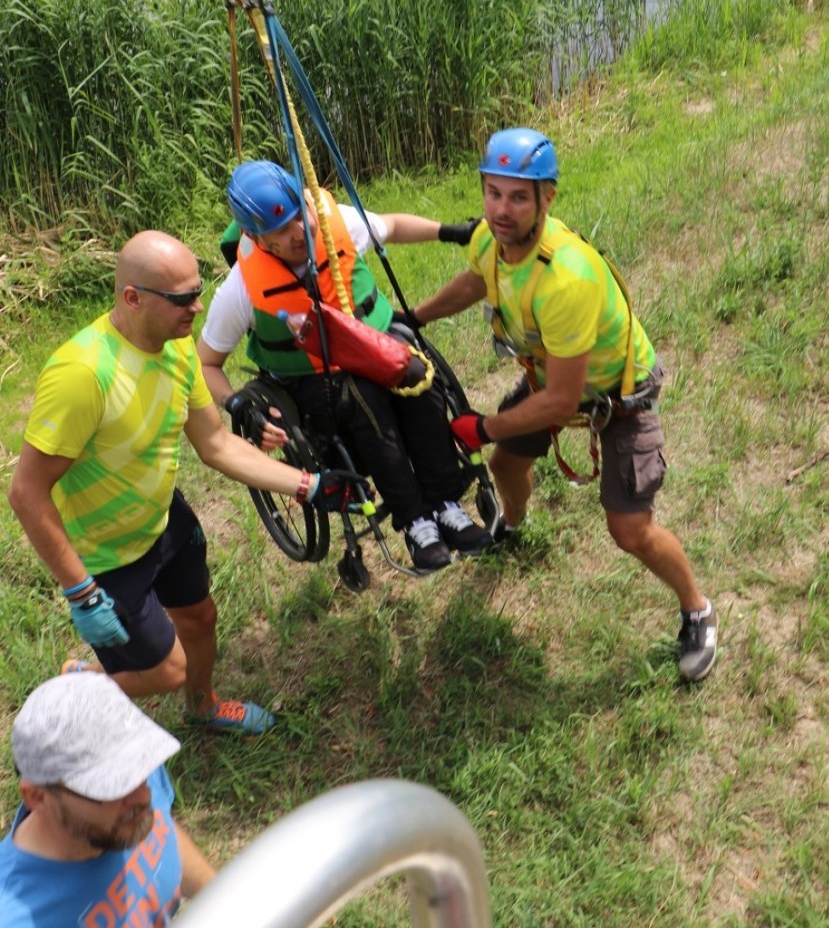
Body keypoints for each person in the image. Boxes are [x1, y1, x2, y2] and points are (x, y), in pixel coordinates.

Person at [8, 230, 363, 735]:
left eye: (199, 291)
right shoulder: (83, 372)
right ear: (133, 298)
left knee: (199, 618)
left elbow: (215, 444)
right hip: (105, 554)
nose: (198, 308)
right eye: (183, 298)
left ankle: (203, 706)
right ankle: (78, 684)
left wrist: (307, 484)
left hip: (162, 517)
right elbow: (26, 492)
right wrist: (81, 591)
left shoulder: (176, 350)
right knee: (165, 670)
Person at [411, 128, 718, 682]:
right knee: (507, 464)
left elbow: (561, 401)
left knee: (630, 531)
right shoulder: (491, 239)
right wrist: (417, 317)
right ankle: (513, 528)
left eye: (519, 197)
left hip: (617, 397)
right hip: (555, 377)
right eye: (493, 193)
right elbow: (474, 282)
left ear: (546, 199)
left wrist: (483, 425)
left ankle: (698, 610)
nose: (502, 210)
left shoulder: (565, 278)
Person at [197, 160, 493, 573]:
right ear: (255, 237)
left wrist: (450, 231)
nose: (300, 231)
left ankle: (446, 503)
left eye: (301, 214)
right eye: (282, 231)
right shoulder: (242, 288)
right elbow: (206, 361)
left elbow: (390, 226)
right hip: (314, 378)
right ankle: (415, 522)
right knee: (363, 398)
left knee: (419, 379)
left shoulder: (336, 223)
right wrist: (236, 404)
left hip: (373, 345)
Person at [0, 670, 215, 926]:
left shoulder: (133, 790)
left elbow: (163, 833)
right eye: (112, 787)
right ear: (37, 797)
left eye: (141, 771)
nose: (143, 796)